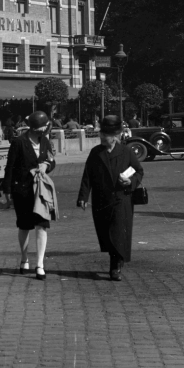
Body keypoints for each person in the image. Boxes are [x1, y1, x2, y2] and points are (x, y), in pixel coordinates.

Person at [77, 115, 144, 281]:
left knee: (118, 233)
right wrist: (83, 197)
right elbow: (88, 176)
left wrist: (130, 181)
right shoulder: (95, 153)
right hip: (101, 200)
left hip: (122, 199)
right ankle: (115, 259)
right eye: (101, 134)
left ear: (114, 137)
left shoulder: (126, 152)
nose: (101, 137)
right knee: (107, 234)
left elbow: (138, 171)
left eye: (104, 135)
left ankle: (115, 266)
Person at [3, 110, 57, 280]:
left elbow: (51, 159)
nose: (46, 130)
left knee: (42, 225)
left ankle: (40, 264)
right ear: (37, 128)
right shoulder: (19, 142)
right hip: (23, 189)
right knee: (25, 226)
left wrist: (46, 166)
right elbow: (10, 167)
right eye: (44, 127)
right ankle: (24, 257)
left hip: (40, 190)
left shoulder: (45, 141)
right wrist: (8, 190)